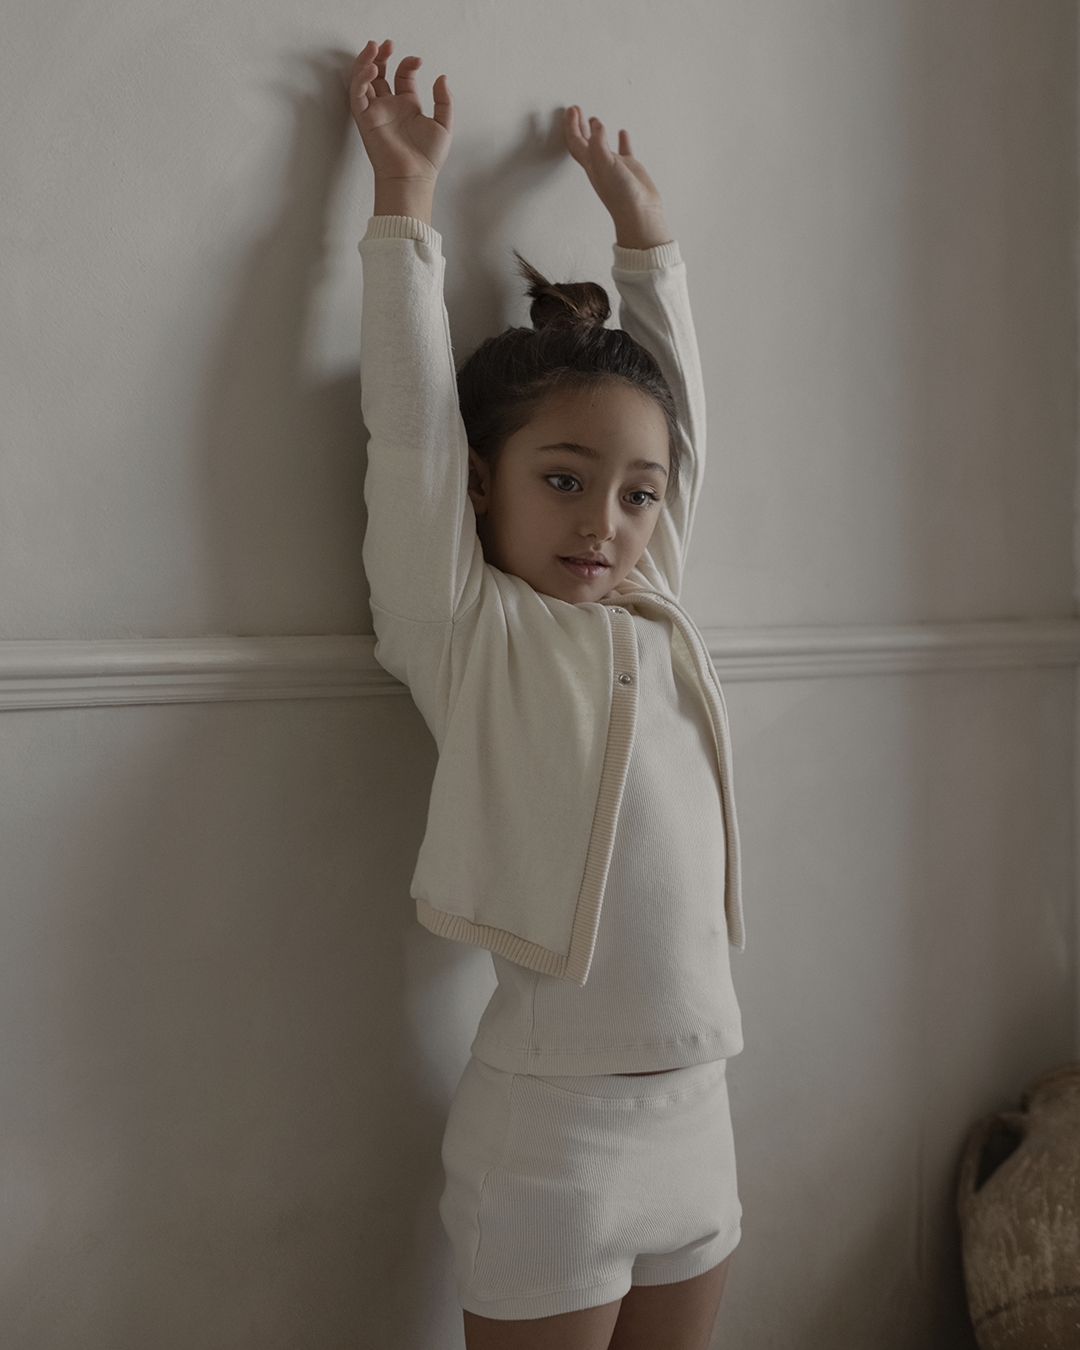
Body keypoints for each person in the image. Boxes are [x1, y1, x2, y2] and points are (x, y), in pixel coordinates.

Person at [349, 38, 745, 1350]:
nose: (610, 522)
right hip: (556, 1135)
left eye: (633, 496)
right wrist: (404, 207)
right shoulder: (467, 626)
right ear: (484, 486)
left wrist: (649, 248)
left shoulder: (653, 597)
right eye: (563, 480)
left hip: (703, 1112)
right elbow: (409, 432)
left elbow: (675, 449)